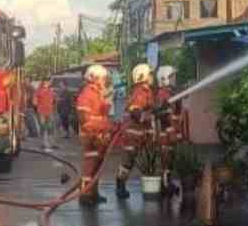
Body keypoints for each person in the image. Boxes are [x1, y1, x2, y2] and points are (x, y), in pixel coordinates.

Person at [115, 63, 156, 199]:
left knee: (142, 160)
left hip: (141, 133)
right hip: (133, 134)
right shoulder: (139, 92)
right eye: (150, 74)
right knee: (128, 161)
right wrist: (147, 113)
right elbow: (136, 111)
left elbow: (148, 109)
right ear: (143, 76)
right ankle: (120, 185)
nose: (152, 77)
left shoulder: (147, 91)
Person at [76, 64, 112, 207]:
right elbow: (85, 120)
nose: (104, 81)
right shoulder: (87, 95)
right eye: (102, 78)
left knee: (97, 165)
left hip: (99, 134)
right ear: (94, 78)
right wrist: (96, 135)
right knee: (90, 166)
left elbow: (101, 115)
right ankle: (85, 195)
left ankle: (94, 193)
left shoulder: (97, 93)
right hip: (91, 136)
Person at [155, 65, 185, 195]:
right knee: (166, 159)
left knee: (170, 159)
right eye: (172, 76)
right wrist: (170, 131)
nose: (175, 78)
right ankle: (165, 186)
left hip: (171, 132)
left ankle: (168, 183)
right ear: (165, 78)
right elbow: (162, 115)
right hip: (166, 134)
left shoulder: (170, 92)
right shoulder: (163, 94)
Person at [34, 78, 57, 151]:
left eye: (48, 83)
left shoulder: (51, 92)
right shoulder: (38, 91)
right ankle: (44, 144)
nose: (47, 84)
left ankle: (51, 143)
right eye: (45, 82)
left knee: (51, 127)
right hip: (41, 112)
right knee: (43, 127)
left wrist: (54, 108)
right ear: (43, 83)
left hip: (50, 111)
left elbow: (55, 101)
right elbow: (34, 101)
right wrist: (38, 106)